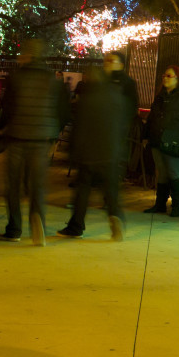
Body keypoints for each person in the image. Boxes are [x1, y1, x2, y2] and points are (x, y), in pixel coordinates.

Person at [0, 41, 68, 245]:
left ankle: (14, 228)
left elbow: (7, 108)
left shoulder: (16, 78)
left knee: (13, 185)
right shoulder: (52, 79)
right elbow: (62, 110)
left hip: (17, 136)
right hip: (42, 138)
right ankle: (38, 220)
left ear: (28, 56)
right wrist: (54, 132)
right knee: (37, 185)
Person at [58, 64, 127, 241]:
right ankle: (115, 217)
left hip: (88, 152)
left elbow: (78, 127)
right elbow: (122, 125)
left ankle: (76, 226)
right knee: (111, 191)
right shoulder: (115, 95)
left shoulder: (86, 99)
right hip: (110, 151)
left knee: (82, 191)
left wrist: (72, 151)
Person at [142, 62, 179, 217]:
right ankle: (160, 204)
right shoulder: (160, 96)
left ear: (178, 78)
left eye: (169, 76)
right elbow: (152, 118)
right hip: (157, 140)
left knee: (175, 172)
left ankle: (176, 207)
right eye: (164, 76)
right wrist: (146, 136)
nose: (165, 78)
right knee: (161, 172)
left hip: (176, 141)